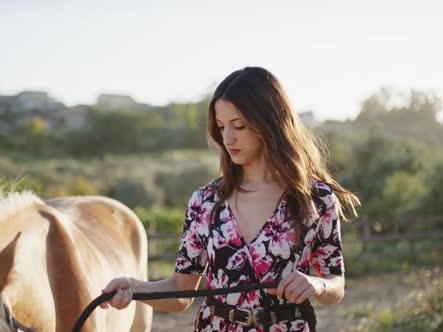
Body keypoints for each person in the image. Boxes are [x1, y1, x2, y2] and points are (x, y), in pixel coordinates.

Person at [101, 66, 360, 332]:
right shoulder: (205, 202)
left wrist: (317, 284)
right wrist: (135, 288)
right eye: (222, 127)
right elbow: (181, 292)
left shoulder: (316, 200)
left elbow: (335, 284)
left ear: (269, 122)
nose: (227, 138)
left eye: (239, 126)